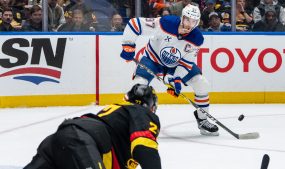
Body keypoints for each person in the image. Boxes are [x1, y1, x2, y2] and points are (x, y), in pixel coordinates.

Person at [120, 4, 219, 136]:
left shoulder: (196, 38)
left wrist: (176, 80)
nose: (189, 25)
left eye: (193, 22)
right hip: (153, 59)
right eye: (187, 19)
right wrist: (128, 45)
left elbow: (186, 63)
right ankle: (130, 122)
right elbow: (135, 24)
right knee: (138, 84)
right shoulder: (165, 23)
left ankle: (202, 120)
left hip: (177, 65)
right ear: (182, 17)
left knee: (201, 83)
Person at [24, 84, 161, 169]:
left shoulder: (117, 114)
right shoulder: (141, 112)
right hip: (82, 143)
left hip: (60, 140)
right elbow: (144, 148)